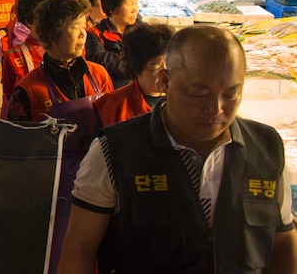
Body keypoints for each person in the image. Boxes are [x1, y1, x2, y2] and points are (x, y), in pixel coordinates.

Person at [59, 25, 297, 273]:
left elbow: (283, 241)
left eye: (230, 94)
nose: (215, 108)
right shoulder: (114, 152)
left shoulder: (267, 149)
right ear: (165, 81)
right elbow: (79, 248)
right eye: (198, 94)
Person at [8, 0, 114, 122]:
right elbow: (18, 139)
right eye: (75, 27)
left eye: (83, 26)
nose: (82, 34)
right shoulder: (27, 90)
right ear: (51, 34)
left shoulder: (99, 75)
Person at [93, 23, 172, 127]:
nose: (166, 73)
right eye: (156, 67)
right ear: (136, 67)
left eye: (171, 64)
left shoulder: (186, 101)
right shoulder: (112, 106)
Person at [86, 0, 141, 89]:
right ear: (112, 8)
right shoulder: (94, 34)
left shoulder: (140, 29)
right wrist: (139, 66)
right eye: (130, 4)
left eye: (136, 3)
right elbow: (104, 62)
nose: (135, 9)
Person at [2, 0, 52, 104]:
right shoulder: (13, 55)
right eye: (45, 17)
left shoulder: (65, 47)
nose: (51, 22)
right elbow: (9, 95)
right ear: (29, 21)